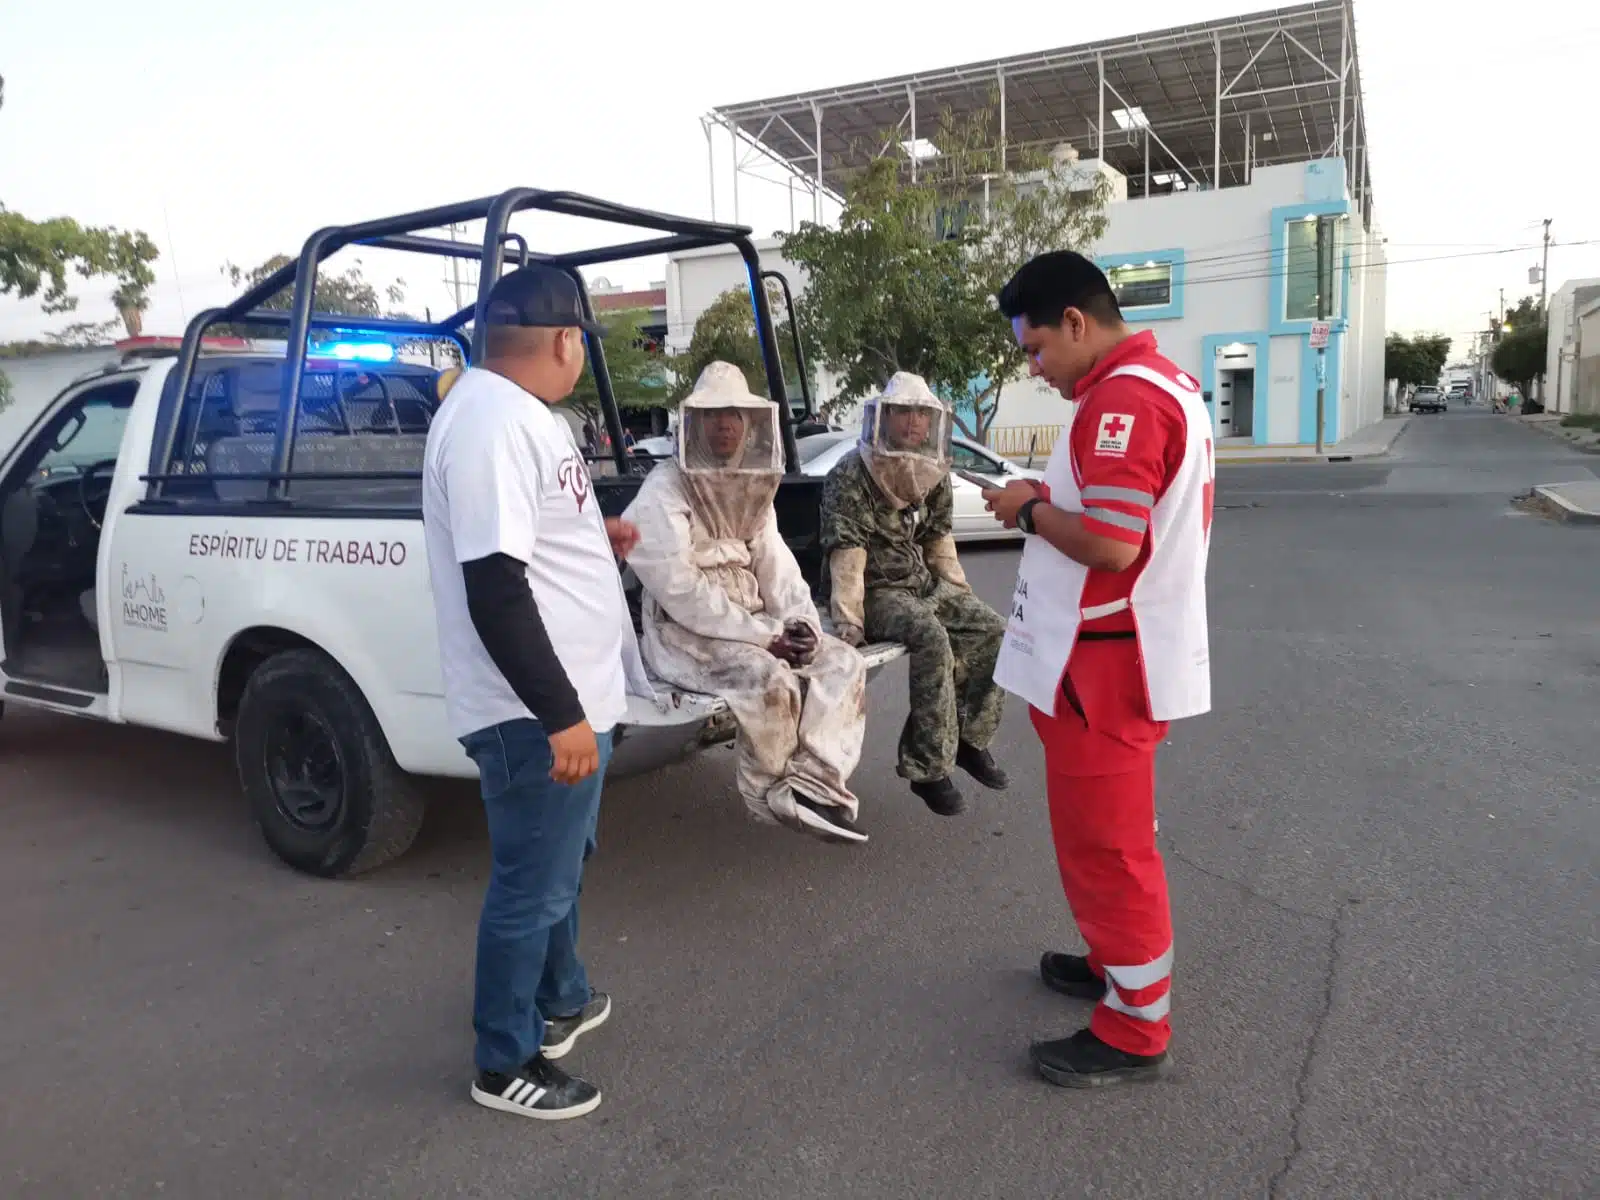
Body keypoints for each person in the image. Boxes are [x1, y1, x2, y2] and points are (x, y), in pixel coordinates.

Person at [422, 263, 653, 1122]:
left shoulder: (524, 418)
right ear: (564, 341)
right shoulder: (488, 422)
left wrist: (600, 536)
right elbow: (493, 584)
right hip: (533, 716)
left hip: (572, 703)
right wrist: (561, 717)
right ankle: (503, 1058)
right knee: (530, 886)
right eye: (579, 348)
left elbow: (531, 542)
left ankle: (562, 998)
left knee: (560, 871)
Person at [984, 250, 1214, 1089]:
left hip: (1105, 666)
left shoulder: (1121, 402)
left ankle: (1134, 1029)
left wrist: (1029, 510)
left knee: (1109, 848)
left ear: (1076, 322)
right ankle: (1114, 963)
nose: (1036, 369)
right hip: (1107, 659)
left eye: (1038, 349)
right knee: (1100, 840)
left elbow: (1115, 545)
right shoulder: (1161, 384)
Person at [624, 362, 869, 844]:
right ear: (693, 422)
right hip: (683, 632)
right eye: (714, 415)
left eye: (735, 414)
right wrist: (767, 638)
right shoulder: (663, 489)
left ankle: (816, 781)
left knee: (843, 661)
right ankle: (769, 795)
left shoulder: (751, 486)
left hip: (756, 622)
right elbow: (680, 591)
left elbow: (776, 566)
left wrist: (800, 623)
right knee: (769, 678)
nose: (726, 425)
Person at [820, 371, 1010, 817]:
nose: (912, 423)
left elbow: (938, 542)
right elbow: (847, 555)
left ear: (933, 422)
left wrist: (961, 598)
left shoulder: (932, 471)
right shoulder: (852, 473)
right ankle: (928, 768)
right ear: (883, 418)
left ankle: (968, 740)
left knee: (995, 632)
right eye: (903, 412)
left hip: (920, 581)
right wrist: (849, 624)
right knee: (930, 638)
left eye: (920, 415)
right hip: (875, 590)